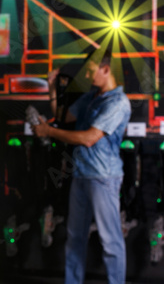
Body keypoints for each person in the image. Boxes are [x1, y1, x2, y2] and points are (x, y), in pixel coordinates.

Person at [32, 48, 131, 284]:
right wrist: (51, 86)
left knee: (111, 241)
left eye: (90, 71)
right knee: (75, 238)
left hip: (103, 178)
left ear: (106, 70)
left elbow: (88, 138)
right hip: (81, 175)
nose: (87, 77)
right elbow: (61, 115)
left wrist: (48, 131)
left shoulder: (118, 102)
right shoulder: (91, 97)